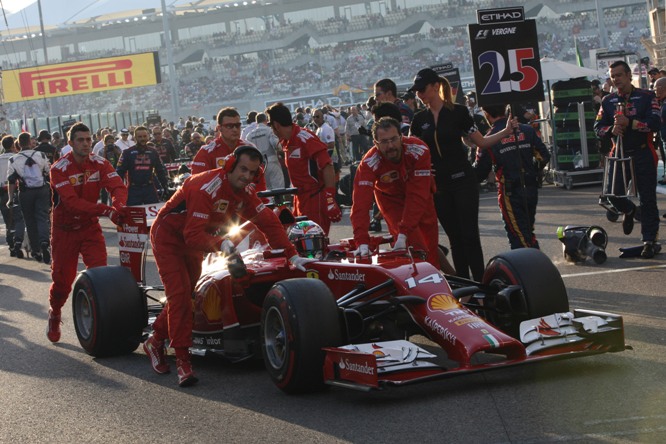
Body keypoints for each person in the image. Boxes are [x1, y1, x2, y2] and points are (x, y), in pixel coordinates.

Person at [142, 145, 313, 387]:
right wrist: (221, 243)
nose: (246, 176)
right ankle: (183, 361)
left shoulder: (245, 192)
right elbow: (192, 236)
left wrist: (293, 256)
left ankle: (156, 339)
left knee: (186, 295)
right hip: (169, 237)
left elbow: (269, 222)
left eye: (252, 172)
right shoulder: (206, 188)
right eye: (243, 169)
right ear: (230, 166)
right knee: (179, 296)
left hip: (199, 240)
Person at [409, 67, 517, 281]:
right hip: (438, 186)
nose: (419, 95)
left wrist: (505, 132)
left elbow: (482, 142)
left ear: (436, 86)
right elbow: (411, 152)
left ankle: (480, 283)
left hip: (463, 181)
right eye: (417, 91)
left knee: (469, 236)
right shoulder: (419, 119)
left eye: (422, 89)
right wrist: (419, 169)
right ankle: (464, 284)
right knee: (455, 239)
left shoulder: (458, 112)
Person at [47, 122, 128, 343]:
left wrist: (118, 207)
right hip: (64, 231)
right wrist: (105, 209)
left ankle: (100, 321)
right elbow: (72, 203)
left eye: (88, 140)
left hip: (90, 227)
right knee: (63, 282)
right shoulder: (58, 169)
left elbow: (118, 187)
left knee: (101, 276)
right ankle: (55, 313)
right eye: (80, 140)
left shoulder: (100, 163)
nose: (85, 144)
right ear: (70, 143)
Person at [350, 117, 440, 268]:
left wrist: (404, 231)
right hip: (390, 200)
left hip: (420, 196)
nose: (391, 146)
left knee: (430, 247)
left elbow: (417, 195)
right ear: (375, 144)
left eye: (393, 139)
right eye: (384, 142)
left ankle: (440, 279)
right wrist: (362, 241)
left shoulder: (419, 150)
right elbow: (360, 203)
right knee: (416, 248)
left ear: (401, 137)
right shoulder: (368, 163)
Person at [594, 60, 661, 258]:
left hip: (643, 153)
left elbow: (655, 123)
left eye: (619, 75)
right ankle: (630, 210)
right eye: (613, 76)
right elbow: (597, 128)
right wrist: (610, 130)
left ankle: (650, 240)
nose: (616, 80)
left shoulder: (647, 96)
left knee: (648, 199)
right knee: (611, 195)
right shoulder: (607, 101)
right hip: (619, 154)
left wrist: (630, 123)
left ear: (628, 75)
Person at [474, 104, 551, 249]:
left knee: (519, 237)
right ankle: (533, 262)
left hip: (510, 192)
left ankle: (532, 266)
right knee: (527, 230)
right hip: (530, 188)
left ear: (486, 113)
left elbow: (479, 172)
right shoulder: (527, 130)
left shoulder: (488, 139)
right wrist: (533, 171)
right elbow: (544, 157)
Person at [265, 102, 342, 235]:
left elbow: (327, 165)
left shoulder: (305, 138)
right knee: (298, 241)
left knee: (314, 242)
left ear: (276, 125)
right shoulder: (287, 142)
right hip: (300, 198)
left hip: (315, 198)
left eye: (271, 126)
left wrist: (330, 199)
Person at [7, 132, 52, 263]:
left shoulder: (13, 159)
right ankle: (45, 242)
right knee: (42, 218)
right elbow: (48, 173)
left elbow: (11, 181)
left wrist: (10, 199)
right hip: (42, 189)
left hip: (25, 192)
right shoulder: (40, 155)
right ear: (30, 142)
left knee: (30, 221)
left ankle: (36, 249)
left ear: (19, 144)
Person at [116, 126, 169, 206]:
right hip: (133, 190)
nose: (142, 139)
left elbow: (160, 171)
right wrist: (119, 190)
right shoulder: (127, 153)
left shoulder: (153, 152)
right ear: (135, 138)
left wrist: (165, 186)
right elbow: (120, 172)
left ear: (148, 136)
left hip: (149, 188)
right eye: (139, 137)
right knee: (133, 216)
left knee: (155, 216)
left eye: (144, 136)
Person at [191, 107, 245, 175]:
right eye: (229, 126)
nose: (235, 129)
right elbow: (197, 182)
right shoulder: (206, 152)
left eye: (237, 125)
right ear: (219, 128)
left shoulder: (249, 148)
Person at [0, 135, 26, 258]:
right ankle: (17, 243)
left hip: (1, 193)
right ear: (12, 146)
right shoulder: (15, 158)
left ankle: (11, 245)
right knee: (18, 218)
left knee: (8, 221)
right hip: (14, 190)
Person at [245, 113, 284, 190]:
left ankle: (269, 202)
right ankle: (280, 202)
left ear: (256, 122)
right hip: (272, 162)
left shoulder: (249, 135)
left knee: (266, 189)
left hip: (259, 166)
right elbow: (276, 145)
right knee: (279, 188)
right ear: (266, 121)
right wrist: (281, 151)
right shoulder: (269, 131)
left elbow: (247, 150)